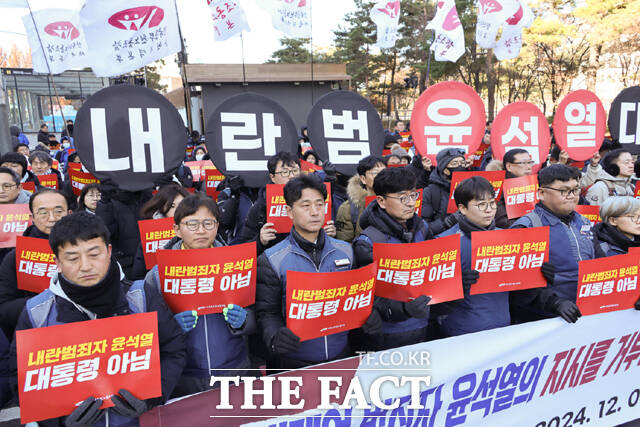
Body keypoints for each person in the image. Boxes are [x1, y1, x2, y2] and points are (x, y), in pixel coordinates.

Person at [10, 212, 186, 425]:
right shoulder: (38, 312)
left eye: (94, 254)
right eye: (73, 258)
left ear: (109, 251)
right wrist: (58, 421)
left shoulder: (140, 296)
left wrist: (154, 396)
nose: (85, 266)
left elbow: (173, 349)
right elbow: (20, 379)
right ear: (56, 261)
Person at [144, 195, 254, 396]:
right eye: (192, 224)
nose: (201, 230)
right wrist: (170, 328)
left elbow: (259, 315)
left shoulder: (238, 264)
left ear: (217, 226)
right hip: (184, 377)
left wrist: (245, 320)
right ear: (177, 229)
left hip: (235, 368)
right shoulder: (157, 276)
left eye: (208, 223)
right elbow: (147, 335)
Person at [256, 175, 370, 370]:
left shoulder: (346, 251)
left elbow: (356, 300)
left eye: (320, 204)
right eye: (305, 206)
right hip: (295, 362)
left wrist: (368, 317)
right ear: (289, 211)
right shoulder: (273, 259)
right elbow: (267, 312)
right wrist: (275, 336)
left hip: (341, 355)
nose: (315, 212)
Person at [437, 177, 561, 336]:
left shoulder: (508, 239)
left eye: (492, 203)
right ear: (462, 208)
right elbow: (433, 306)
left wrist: (537, 280)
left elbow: (517, 298)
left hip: (502, 329)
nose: (489, 210)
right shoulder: (445, 242)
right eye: (481, 205)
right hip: (461, 332)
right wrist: (454, 287)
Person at [352, 167, 433, 349]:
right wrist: (403, 309)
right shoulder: (368, 242)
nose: (411, 203)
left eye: (413, 196)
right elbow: (364, 299)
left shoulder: (423, 228)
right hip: (390, 334)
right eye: (403, 198)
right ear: (381, 201)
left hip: (425, 325)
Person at [511, 164, 593, 323]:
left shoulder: (584, 222)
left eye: (575, 190)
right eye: (563, 191)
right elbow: (518, 285)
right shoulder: (527, 227)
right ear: (541, 193)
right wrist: (554, 303)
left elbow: (600, 264)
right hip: (544, 319)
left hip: (584, 313)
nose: (571, 196)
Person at [233, 152, 337, 255]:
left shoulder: (314, 199)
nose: (291, 176)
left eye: (295, 171)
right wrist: (260, 241)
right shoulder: (261, 206)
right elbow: (242, 248)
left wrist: (329, 236)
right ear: (272, 177)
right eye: (285, 172)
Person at [0, 189, 71, 338]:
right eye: (43, 212)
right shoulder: (15, 257)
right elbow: (4, 309)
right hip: (36, 334)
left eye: (59, 211)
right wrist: (46, 302)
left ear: (70, 214)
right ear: (32, 217)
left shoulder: (87, 251)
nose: (52, 218)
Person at [131, 184, 191, 280]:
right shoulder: (151, 233)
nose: (177, 210)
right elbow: (139, 273)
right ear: (162, 208)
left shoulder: (199, 230)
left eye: (181, 205)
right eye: (172, 206)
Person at [96, 180, 153, 278]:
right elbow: (104, 234)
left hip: (151, 264)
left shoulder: (151, 200)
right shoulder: (110, 203)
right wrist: (104, 202)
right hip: (125, 265)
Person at [335, 155, 386, 243]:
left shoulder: (397, 202)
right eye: (375, 173)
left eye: (384, 172)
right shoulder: (348, 208)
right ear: (363, 179)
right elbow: (345, 245)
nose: (382, 177)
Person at [421, 148, 467, 235]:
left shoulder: (471, 187)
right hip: (443, 243)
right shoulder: (430, 192)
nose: (460, 166)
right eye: (454, 163)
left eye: (462, 163)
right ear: (445, 170)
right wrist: (447, 222)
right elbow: (423, 230)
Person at [495, 149, 534, 229]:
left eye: (530, 162)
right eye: (523, 163)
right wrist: (525, 228)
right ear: (509, 166)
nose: (528, 167)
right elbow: (501, 220)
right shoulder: (499, 188)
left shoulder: (536, 184)